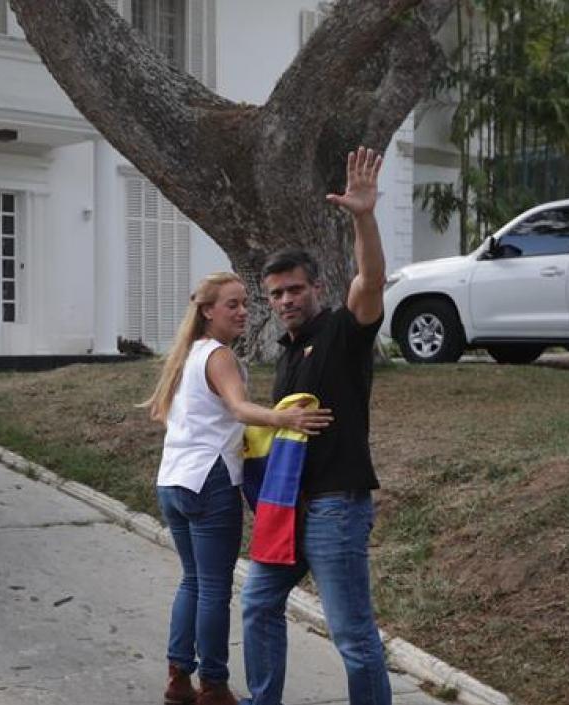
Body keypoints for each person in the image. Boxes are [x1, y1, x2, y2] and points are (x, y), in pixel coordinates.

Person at [239, 146, 390, 705]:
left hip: (335, 507)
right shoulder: (286, 352)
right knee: (257, 602)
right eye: (276, 293)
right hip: (289, 507)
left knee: (352, 636)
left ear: (317, 289)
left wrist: (363, 216)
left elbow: (370, 280)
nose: (284, 300)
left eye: (294, 289)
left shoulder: (343, 334)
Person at [142, 272, 332, 705]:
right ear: (208, 311)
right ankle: (213, 684)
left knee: (192, 581)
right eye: (233, 304)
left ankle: (177, 679)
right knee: (212, 588)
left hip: (172, 480)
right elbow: (238, 407)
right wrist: (283, 420)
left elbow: (168, 414)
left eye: (246, 302)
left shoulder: (186, 355)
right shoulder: (219, 355)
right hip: (209, 482)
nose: (244, 311)